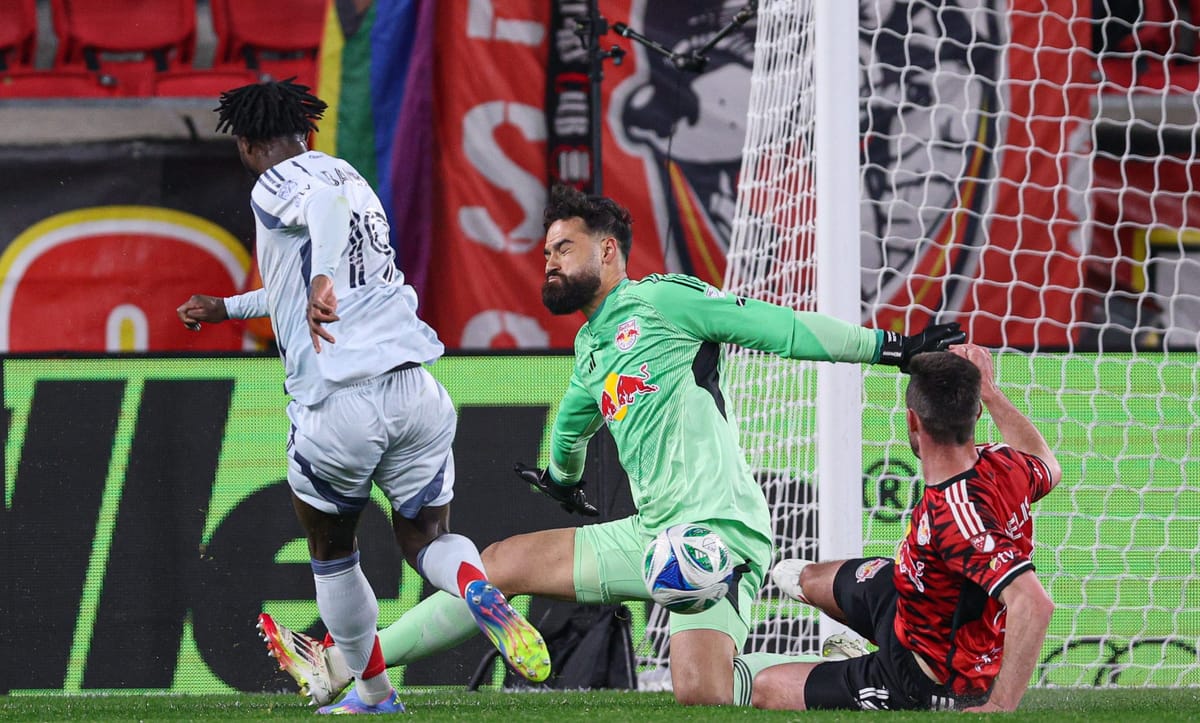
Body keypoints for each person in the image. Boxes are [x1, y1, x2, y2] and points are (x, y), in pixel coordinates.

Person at [258, 183, 965, 706]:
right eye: (544, 254)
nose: (550, 264)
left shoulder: (662, 302)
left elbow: (780, 329)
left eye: (562, 248)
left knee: (683, 670)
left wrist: (891, 347)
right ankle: (350, 665)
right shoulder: (591, 351)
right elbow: (571, 428)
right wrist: (563, 479)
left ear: (607, 250)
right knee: (522, 576)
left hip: (720, 526)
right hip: (655, 535)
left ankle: (839, 673)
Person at [175, 79, 549, 715]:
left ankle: (373, 695)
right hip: (417, 391)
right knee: (427, 536)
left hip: (339, 400)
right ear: (308, 130)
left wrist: (319, 277)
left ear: (246, 143)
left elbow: (317, 228)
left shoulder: (281, 180)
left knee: (332, 552)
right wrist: (228, 307)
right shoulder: (350, 176)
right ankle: (476, 587)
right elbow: (302, 280)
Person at [746, 344, 1061, 712]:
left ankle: (858, 675)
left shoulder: (958, 515)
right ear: (976, 412)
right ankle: (857, 645)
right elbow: (1046, 465)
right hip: (907, 601)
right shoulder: (1004, 462)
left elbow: (1034, 603)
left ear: (912, 420)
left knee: (764, 688)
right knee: (801, 576)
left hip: (923, 672)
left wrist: (1000, 705)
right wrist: (990, 392)